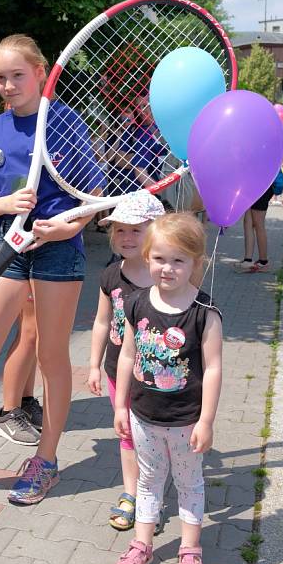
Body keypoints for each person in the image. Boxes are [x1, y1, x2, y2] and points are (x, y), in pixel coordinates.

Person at [0, 33, 102, 513]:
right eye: (0, 78)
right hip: (7, 250)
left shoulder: (67, 125)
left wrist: (60, 228)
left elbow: (89, 202)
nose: (7, 85)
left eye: (17, 76)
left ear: (41, 74)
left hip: (56, 252)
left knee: (51, 356)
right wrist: (7, 204)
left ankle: (45, 460)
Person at [111, 213, 222, 564]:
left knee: (189, 483)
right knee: (148, 482)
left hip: (187, 422)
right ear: (146, 257)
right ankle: (142, 543)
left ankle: (190, 550)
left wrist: (206, 421)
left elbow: (213, 370)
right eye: (159, 258)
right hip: (143, 417)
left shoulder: (204, 313)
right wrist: (119, 406)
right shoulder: (137, 303)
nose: (168, 268)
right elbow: (127, 356)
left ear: (195, 263)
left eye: (179, 260)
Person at [87, 190, 165, 531]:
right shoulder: (110, 276)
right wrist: (92, 364)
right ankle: (132, 493)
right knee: (127, 434)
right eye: (120, 229)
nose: (127, 237)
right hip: (118, 369)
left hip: (158, 374)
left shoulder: (167, 275)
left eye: (137, 229)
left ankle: (154, 499)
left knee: (157, 439)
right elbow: (102, 321)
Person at [0, 293, 43, 446]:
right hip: (30, 271)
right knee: (30, 331)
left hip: (46, 272)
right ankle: (8, 412)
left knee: (35, 331)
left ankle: (25, 401)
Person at [233, 183, 274, 273]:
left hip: (262, 186)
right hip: (251, 186)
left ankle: (263, 262)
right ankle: (248, 260)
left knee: (258, 224)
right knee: (247, 223)